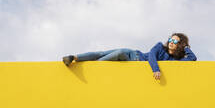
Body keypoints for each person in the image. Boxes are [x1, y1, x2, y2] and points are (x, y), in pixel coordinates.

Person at [62, 33, 197, 80]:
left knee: (118, 53)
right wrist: (156, 69)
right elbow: (152, 57)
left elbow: (192, 59)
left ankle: (94, 65)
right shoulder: (159, 46)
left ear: (180, 44)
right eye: (171, 40)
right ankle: (73, 57)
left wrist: (186, 47)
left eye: (175, 41)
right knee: (102, 53)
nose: (171, 43)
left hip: (131, 60)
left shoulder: (175, 59)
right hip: (134, 54)